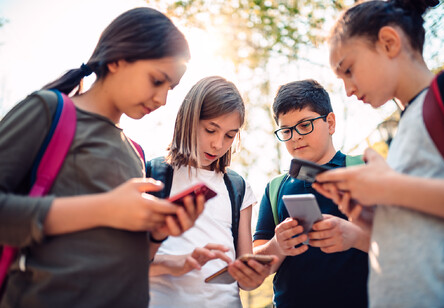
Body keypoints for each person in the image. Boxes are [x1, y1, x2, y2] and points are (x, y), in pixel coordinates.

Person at [0, 7, 203, 308]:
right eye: (157, 80)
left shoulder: (136, 152)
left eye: (170, 88)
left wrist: (156, 235)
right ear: (118, 59)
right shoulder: (49, 110)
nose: (162, 100)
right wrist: (104, 208)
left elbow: (128, 257)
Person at [312, 0, 444, 306]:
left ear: (388, 43)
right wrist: (371, 219)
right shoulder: (407, 125)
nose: (349, 90)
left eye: (349, 70)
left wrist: (387, 187)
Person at [147, 76, 277, 307]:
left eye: (229, 135)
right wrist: (175, 263)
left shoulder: (237, 187)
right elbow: (126, 264)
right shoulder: (152, 174)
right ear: (189, 120)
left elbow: (245, 281)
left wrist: (253, 273)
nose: (218, 144)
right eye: (210, 130)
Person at [253, 79, 370, 308]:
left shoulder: (364, 170)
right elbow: (258, 258)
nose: (295, 136)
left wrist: (354, 235)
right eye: (286, 130)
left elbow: (399, 240)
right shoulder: (275, 188)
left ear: (330, 123)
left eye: (305, 125)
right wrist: (278, 245)